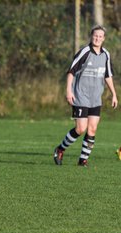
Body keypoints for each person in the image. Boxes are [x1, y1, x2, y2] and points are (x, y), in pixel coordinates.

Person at [53, 25, 117, 167]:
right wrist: (68, 91)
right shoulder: (84, 52)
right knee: (81, 129)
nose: (97, 38)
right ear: (91, 36)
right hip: (81, 95)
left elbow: (108, 75)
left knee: (92, 129)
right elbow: (71, 72)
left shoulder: (106, 54)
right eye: (95, 36)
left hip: (96, 98)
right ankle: (60, 149)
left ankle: (83, 160)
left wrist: (114, 94)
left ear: (104, 39)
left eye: (100, 36)